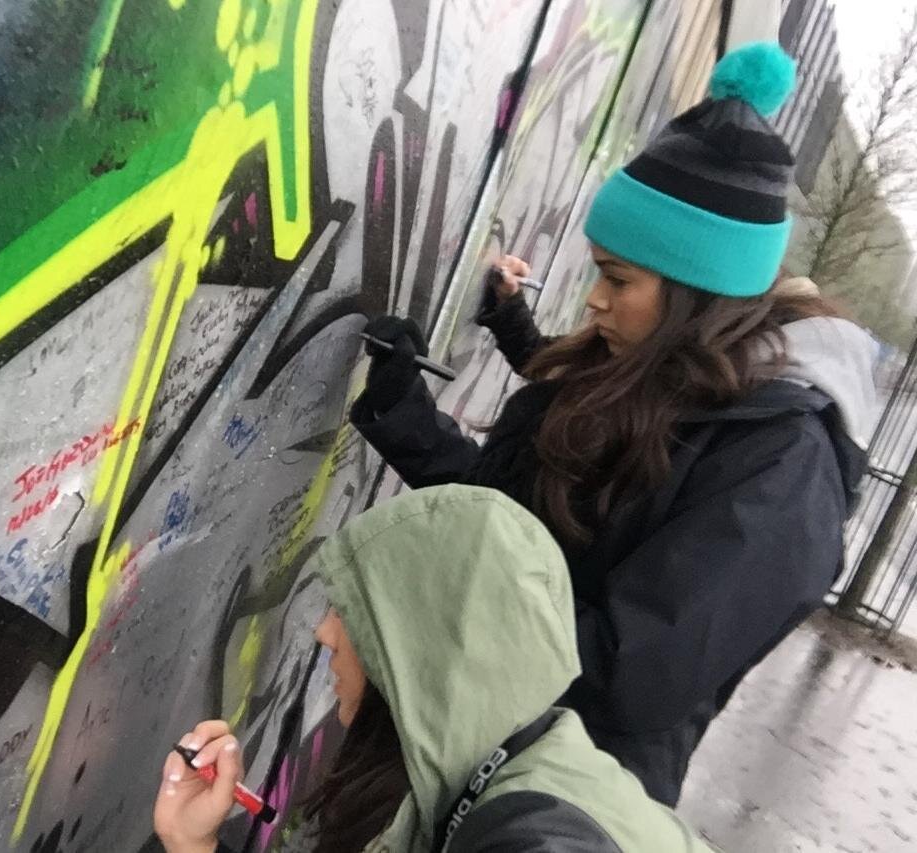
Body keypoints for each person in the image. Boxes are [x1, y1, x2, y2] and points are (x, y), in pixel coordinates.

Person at [350, 42, 878, 805]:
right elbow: (507, 525)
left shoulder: (784, 469)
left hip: (544, 808)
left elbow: (628, 672)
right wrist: (405, 412)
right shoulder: (642, 371)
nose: (594, 299)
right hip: (451, 749)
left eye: (617, 277)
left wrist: (422, 597)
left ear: (699, 288)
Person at [153, 486, 716, 853]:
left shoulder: (530, 834)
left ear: (422, 642)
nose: (324, 631)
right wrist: (192, 843)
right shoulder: (492, 775)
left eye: (353, 610)